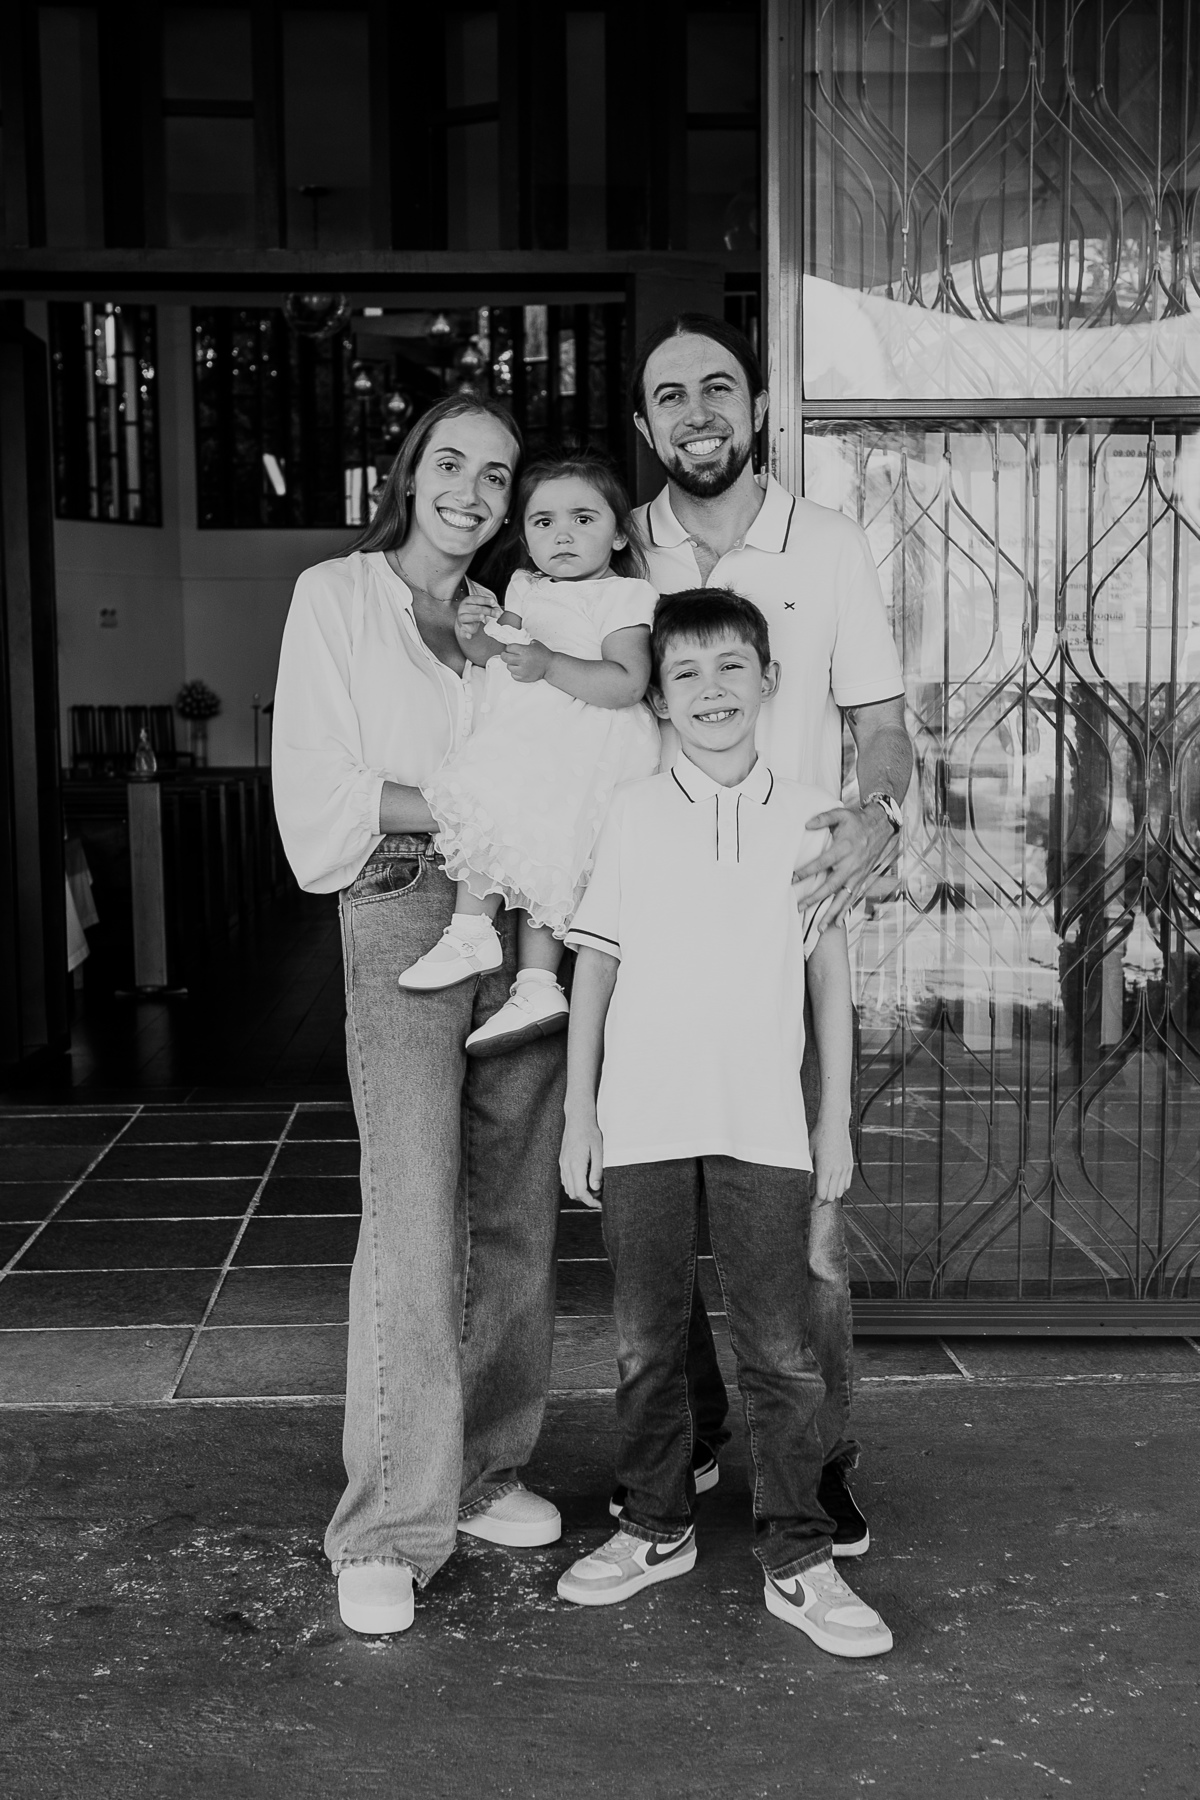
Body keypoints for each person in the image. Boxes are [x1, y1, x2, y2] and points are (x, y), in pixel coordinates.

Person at [271, 396, 565, 1638]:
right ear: (410, 471)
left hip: (524, 905)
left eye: (497, 475)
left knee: (516, 1206)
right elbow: (317, 791)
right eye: (452, 462)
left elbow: (568, 752)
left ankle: (486, 1468)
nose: (472, 491)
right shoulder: (337, 598)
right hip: (403, 905)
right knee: (411, 1206)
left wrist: (520, 820)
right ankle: (389, 1524)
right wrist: (475, 803)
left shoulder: (510, 619)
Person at [556, 589, 893, 1658]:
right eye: (686, 673)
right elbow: (595, 965)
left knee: (782, 1352)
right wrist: (579, 1114)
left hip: (765, 1125)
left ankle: (798, 1556)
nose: (711, 690)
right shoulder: (632, 811)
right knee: (644, 1342)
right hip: (643, 1120)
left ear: (770, 682)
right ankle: (655, 1526)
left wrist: (832, 1120)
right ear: (658, 697)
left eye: (731, 667)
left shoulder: (814, 815)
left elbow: (830, 980)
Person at [626, 313, 914, 1554]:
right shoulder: (613, 546)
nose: (696, 412)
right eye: (670, 395)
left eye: (718, 388)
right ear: (646, 425)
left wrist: (877, 813)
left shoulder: (829, 542)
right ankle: (695, 1427)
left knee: (806, 1221)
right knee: (660, 1217)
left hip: (786, 933)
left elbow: (883, 723)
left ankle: (821, 1454)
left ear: (755, 410)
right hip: (647, 933)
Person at [399, 456, 661, 1057]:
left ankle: (519, 968)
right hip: (528, 737)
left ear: (619, 535)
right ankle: (501, 956)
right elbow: (497, 655)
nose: (562, 534)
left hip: (587, 745)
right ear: (524, 534)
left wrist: (549, 663)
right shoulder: (524, 586)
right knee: (512, 832)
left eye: (582, 519)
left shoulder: (622, 594)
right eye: (543, 522)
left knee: (550, 852)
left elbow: (627, 681)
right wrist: (472, 633)